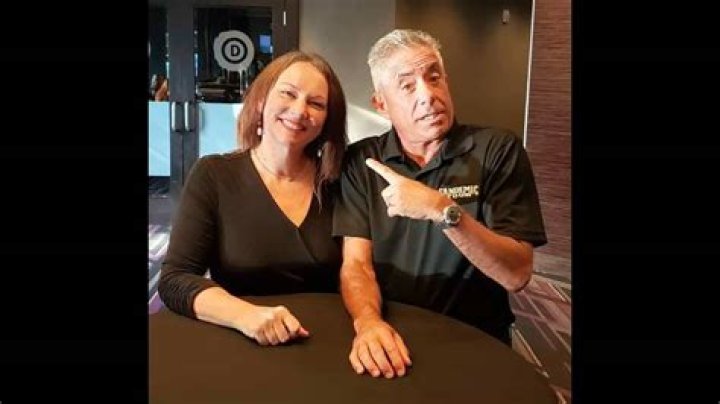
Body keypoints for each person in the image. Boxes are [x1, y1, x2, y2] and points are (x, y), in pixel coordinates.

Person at [333, 29, 547, 378]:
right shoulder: (363, 161)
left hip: (475, 339)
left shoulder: (496, 150)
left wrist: (441, 210)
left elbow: (517, 274)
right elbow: (357, 264)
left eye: (434, 78)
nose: (428, 95)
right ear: (381, 104)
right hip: (391, 333)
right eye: (407, 85)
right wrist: (368, 322)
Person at [158, 51, 348, 346]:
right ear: (261, 100)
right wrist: (245, 315)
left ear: (327, 120)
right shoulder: (213, 174)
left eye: (316, 103)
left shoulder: (340, 181)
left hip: (329, 342)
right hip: (242, 341)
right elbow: (175, 279)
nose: (299, 111)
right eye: (288, 93)